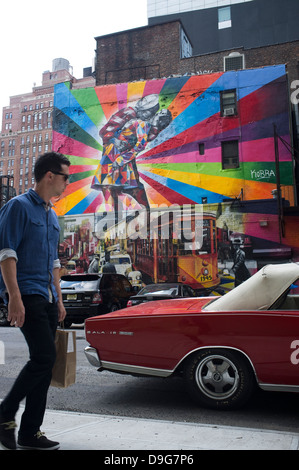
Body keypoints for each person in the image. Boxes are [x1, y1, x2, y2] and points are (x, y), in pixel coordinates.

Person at [0, 152, 70, 450]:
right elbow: (6, 254)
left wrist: (60, 297)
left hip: (48, 297)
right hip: (26, 293)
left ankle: (31, 432)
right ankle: (4, 413)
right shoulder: (17, 207)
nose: (68, 182)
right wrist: (14, 297)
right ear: (49, 175)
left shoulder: (51, 215)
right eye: (66, 176)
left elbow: (54, 260)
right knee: (43, 357)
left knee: (46, 362)